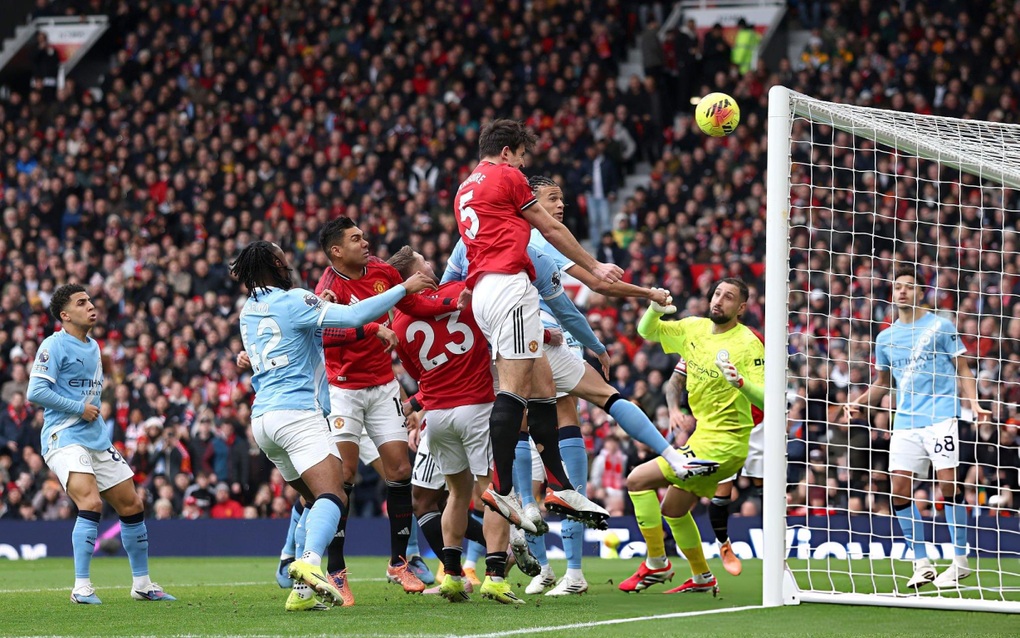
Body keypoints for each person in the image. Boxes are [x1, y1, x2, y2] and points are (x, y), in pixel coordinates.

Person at [232, 240, 435, 611]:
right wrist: (403, 288)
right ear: (277, 263)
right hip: (297, 415)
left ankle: (301, 591)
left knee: (312, 499)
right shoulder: (295, 299)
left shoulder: (249, 310)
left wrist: (318, 302)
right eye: (283, 254)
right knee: (335, 495)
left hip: (262, 420)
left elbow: (300, 334)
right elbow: (354, 319)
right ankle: (308, 563)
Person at [453, 119, 620, 547]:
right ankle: (502, 487)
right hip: (509, 286)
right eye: (523, 156)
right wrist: (595, 265)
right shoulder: (506, 175)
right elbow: (550, 228)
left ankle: (561, 487)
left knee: (542, 385)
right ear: (507, 151)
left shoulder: (464, 189)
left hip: (488, 291)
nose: (525, 166)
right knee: (515, 389)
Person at [311, 217, 458, 596]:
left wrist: (452, 300)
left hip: (383, 387)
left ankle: (398, 563)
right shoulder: (327, 287)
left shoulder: (381, 271)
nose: (366, 242)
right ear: (336, 252)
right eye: (355, 239)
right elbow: (324, 335)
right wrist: (372, 329)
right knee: (343, 478)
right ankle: (336, 570)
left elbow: (411, 304)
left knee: (399, 469)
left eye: (363, 236)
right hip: (344, 390)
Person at [389, 247, 538, 604]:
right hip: (476, 407)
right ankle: (496, 577)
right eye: (424, 262)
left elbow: (418, 377)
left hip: (438, 417)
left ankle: (453, 576)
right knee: (493, 493)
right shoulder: (460, 294)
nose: (432, 264)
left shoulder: (400, 323)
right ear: (415, 273)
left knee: (456, 494)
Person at [26, 284, 175, 604]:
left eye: (91, 300)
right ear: (65, 315)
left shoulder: (94, 347)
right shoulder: (53, 345)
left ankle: (142, 584)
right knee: (91, 503)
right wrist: (79, 408)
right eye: (82, 303)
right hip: (63, 436)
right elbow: (35, 392)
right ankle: (81, 587)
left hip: (95, 438)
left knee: (133, 505)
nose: (91, 306)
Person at [846, 266, 991, 589]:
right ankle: (922, 562)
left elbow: (963, 370)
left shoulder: (941, 327)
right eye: (897, 287)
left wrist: (974, 403)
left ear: (920, 292)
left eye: (909, 287)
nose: (902, 292)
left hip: (941, 417)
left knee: (948, 485)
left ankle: (960, 561)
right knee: (898, 489)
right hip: (906, 422)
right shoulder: (885, 338)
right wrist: (860, 401)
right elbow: (883, 382)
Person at [621, 278, 763, 595]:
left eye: (729, 297)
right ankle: (702, 577)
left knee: (636, 480)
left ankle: (657, 563)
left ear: (741, 308)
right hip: (701, 439)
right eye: (716, 294)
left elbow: (769, 400)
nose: (719, 300)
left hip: (726, 445)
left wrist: (742, 384)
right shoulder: (694, 328)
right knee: (673, 510)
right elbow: (647, 332)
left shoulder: (749, 344)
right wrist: (654, 309)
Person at [667, 352, 765, 577]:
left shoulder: (750, 341)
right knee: (722, 490)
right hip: (722, 427)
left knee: (765, 486)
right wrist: (675, 409)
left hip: (759, 423)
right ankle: (724, 544)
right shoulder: (697, 343)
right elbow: (675, 380)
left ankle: (775, 546)